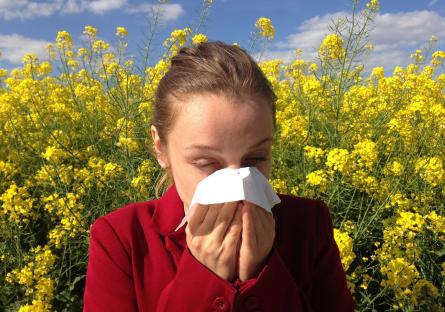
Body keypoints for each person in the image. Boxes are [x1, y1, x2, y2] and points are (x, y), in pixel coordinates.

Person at [83, 41, 354, 311]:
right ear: (161, 149)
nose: (238, 185)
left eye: (256, 158)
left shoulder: (308, 225)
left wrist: (262, 272)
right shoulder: (122, 239)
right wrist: (204, 278)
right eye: (206, 162)